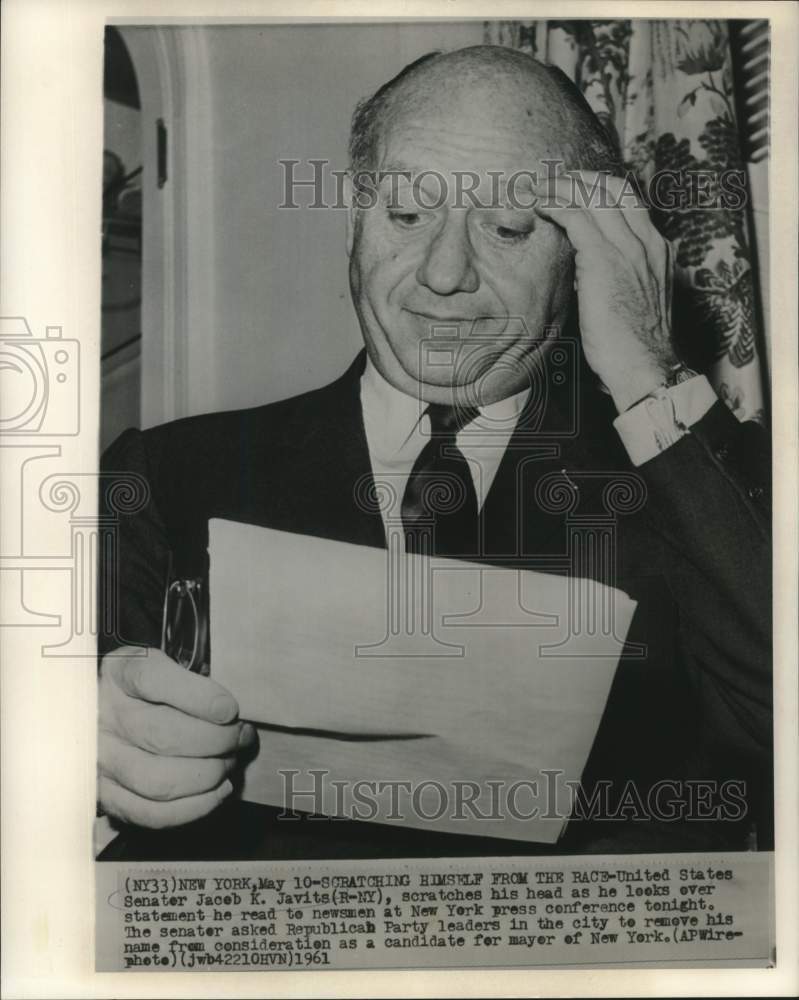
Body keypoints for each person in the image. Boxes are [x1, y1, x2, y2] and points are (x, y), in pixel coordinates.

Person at [97, 46, 771, 860]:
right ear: (354, 222)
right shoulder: (164, 476)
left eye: (509, 226)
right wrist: (81, 738)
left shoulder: (688, 486)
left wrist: (646, 371)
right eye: (407, 216)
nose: (443, 274)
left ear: (587, 250)